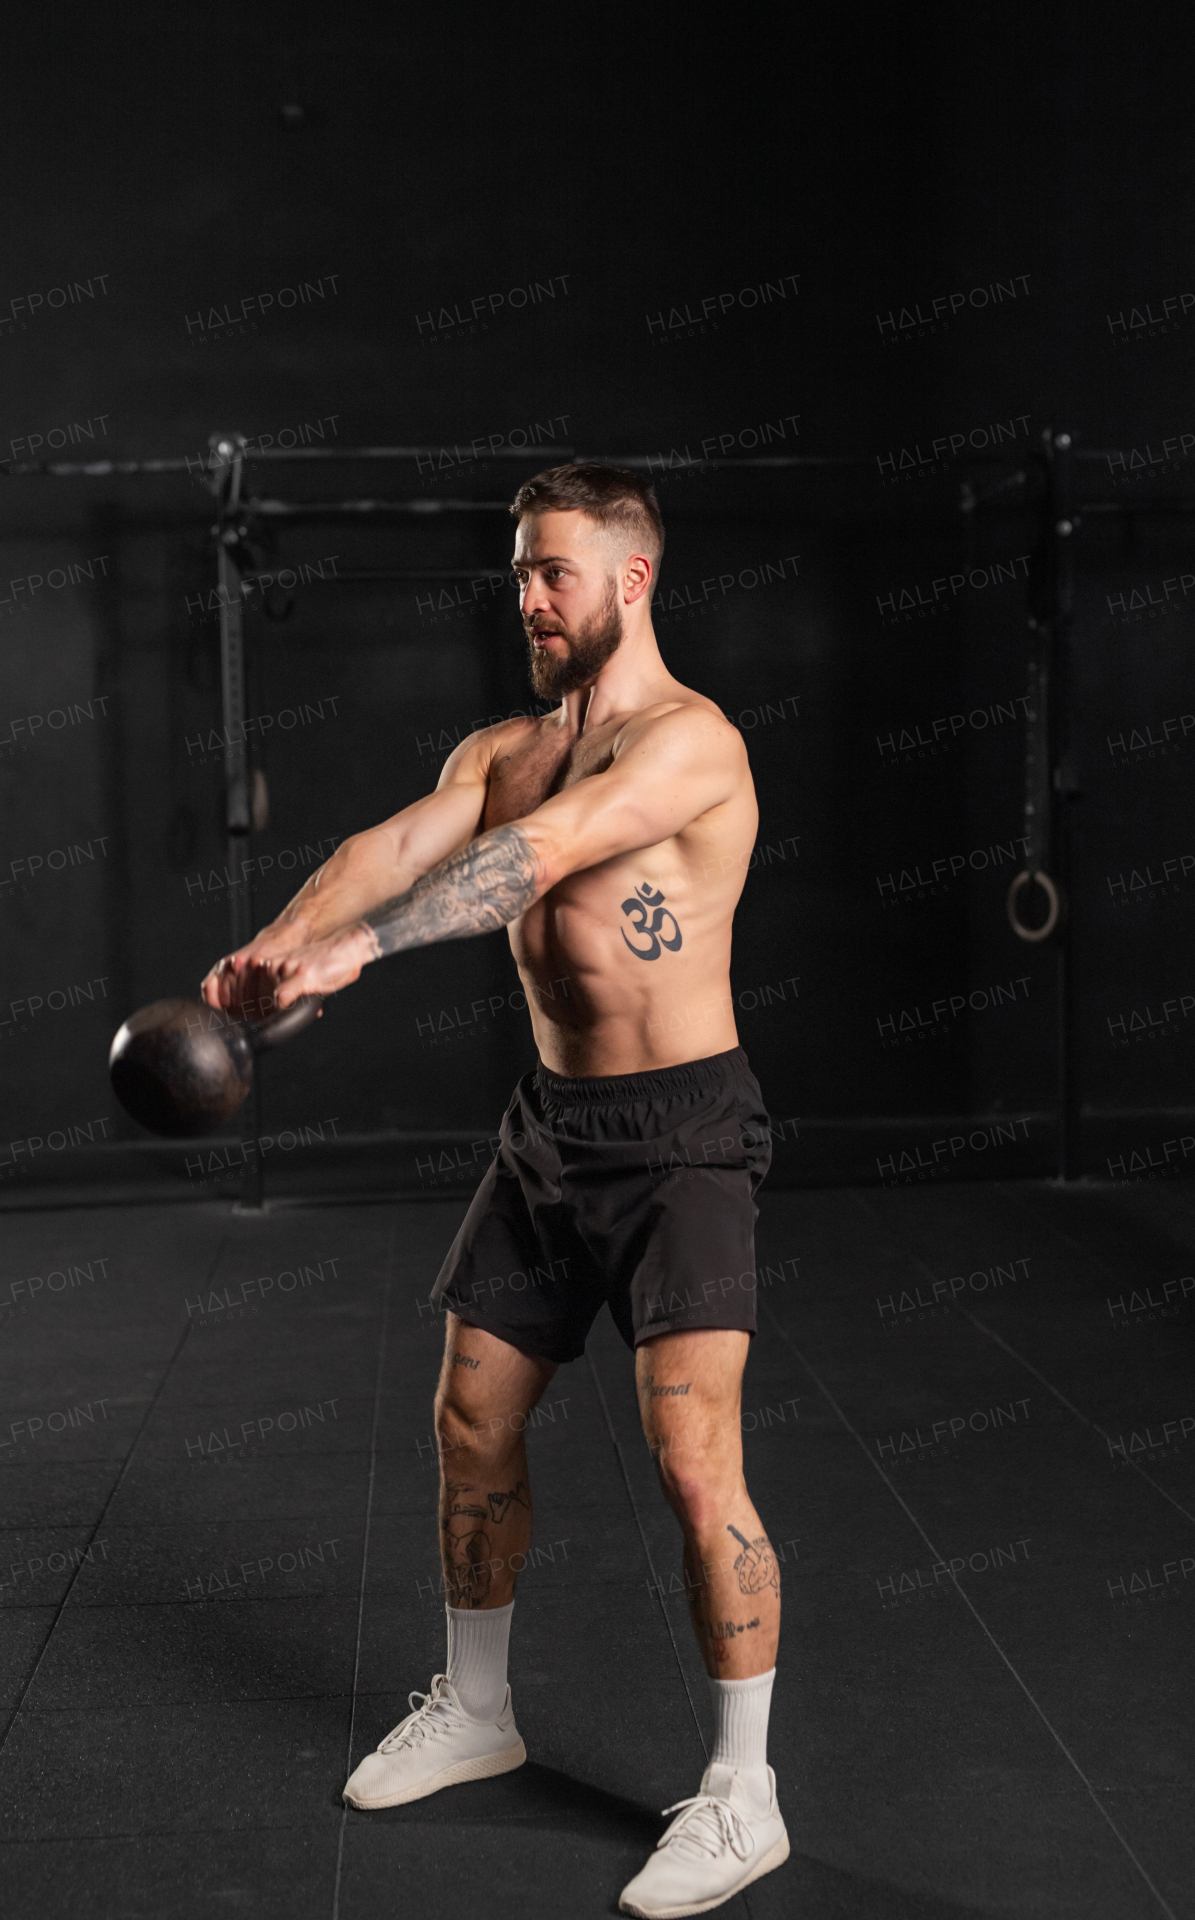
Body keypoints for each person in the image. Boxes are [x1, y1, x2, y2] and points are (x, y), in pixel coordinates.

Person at [201, 462, 789, 1916]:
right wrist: (276, 951)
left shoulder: (689, 744)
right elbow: (391, 848)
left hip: (683, 1136)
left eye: (555, 573)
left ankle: (744, 1794)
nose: (527, 596)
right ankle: (478, 1710)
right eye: (519, 569)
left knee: (690, 1458)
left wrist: (366, 956)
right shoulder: (505, 746)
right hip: (552, 1129)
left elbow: (543, 858)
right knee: (469, 1418)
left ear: (632, 581)